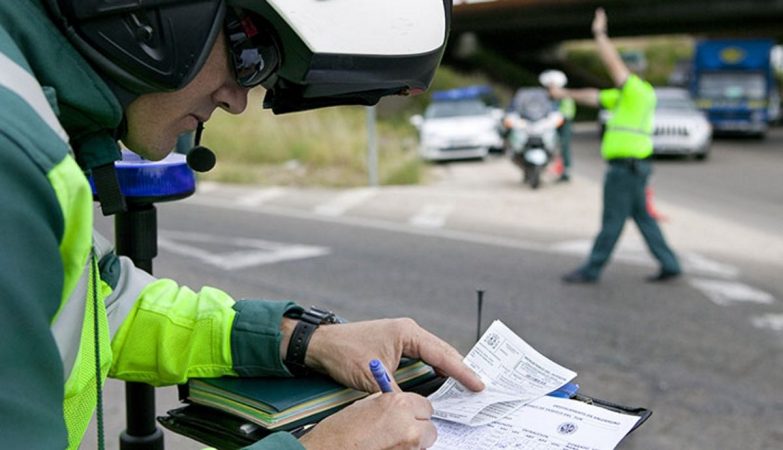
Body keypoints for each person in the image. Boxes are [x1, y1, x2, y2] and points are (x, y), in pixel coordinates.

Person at [0, 1, 484, 450]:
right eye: (249, 58)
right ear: (153, 20)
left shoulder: (28, 118)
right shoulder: (11, 163)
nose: (238, 102)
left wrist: (303, 339)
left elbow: (104, 304)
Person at [548, 8, 682, 284]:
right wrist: (563, 93)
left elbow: (613, 64)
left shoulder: (637, 91)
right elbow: (593, 96)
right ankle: (670, 263)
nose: (619, 76)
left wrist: (599, 34)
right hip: (633, 168)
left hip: (625, 170)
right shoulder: (624, 97)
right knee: (643, 218)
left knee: (612, 221)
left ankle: (591, 269)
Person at [540, 70, 576, 182]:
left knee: (564, 145)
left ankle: (566, 170)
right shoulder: (546, 96)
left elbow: (568, 112)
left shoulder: (565, 96)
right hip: (550, 124)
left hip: (564, 123)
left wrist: (560, 117)